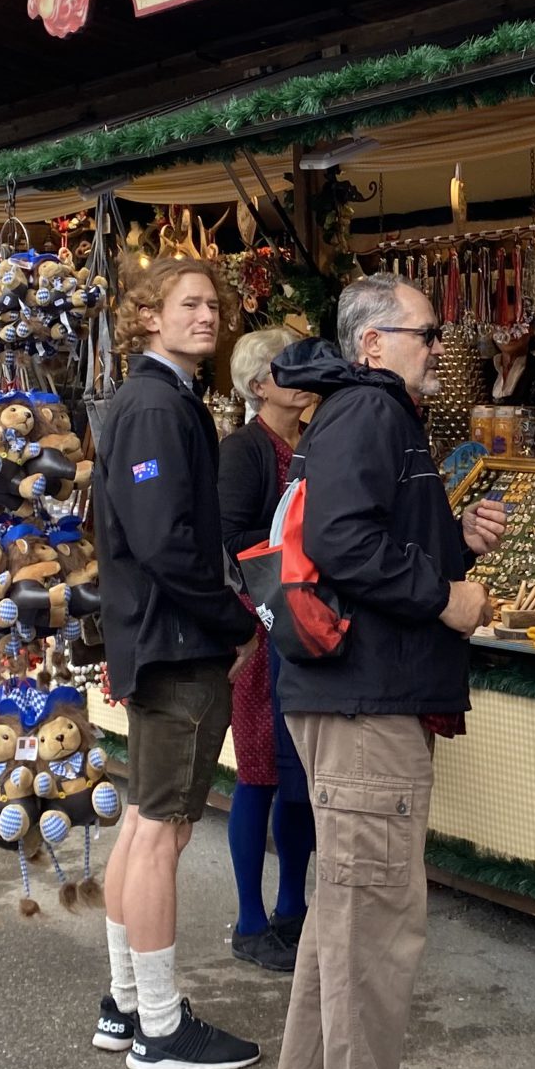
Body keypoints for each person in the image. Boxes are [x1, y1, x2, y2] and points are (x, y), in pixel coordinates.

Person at [267, 272, 507, 1069]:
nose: (438, 344)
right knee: (376, 916)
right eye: (426, 331)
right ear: (373, 344)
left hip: (353, 692)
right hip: (369, 700)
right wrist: (447, 597)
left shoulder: (363, 413)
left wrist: (456, 540)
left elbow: (368, 535)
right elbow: (345, 543)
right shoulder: (371, 413)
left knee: (344, 901)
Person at [91, 257, 266, 1069]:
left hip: (154, 637)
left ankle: (125, 1005)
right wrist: (234, 618)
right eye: (189, 303)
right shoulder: (158, 407)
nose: (208, 315)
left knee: (142, 820)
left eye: (214, 303)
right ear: (149, 316)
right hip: (176, 642)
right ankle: (159, 1027)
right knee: (162, 830)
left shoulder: (156, 400)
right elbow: (167, 542)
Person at [217, 325, 317, 974]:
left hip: (294, 629)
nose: (302, 378)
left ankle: (292, 908)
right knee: (259, 773)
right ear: (260, 386)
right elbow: (226, 543)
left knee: (298, 777)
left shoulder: (304, 444)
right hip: (260, 630)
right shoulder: (245, 450)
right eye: (288, 369)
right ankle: (252, 919)